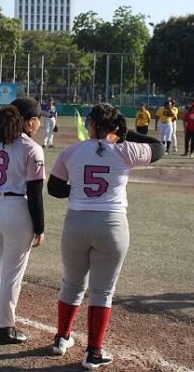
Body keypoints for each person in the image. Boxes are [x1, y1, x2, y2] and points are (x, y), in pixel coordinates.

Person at [46, 103, 164, 368]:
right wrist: (126, 134)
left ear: (90, 124)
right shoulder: (125, 150)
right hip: (111, 225)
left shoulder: (71, 150)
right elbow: (158, 147)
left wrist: (80, 191)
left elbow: (53, 188)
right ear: (116, 127)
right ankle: (93, 352)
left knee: (72, 284)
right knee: (102, 291)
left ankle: (61, 339)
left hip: (76, 222)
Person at [0, 97, 45, 345]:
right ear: (29, 122)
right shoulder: (31, 148)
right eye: (38, 119)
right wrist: (39, 227)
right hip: (16, 208)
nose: (39, 123)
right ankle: (5, 327)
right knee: (12, 272)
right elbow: (35, 193)